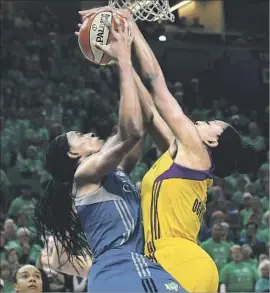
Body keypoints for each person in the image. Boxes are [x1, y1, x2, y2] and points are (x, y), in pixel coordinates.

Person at [80, 7, 257, 292]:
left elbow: (157, 84)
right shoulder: (183, 158)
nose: (200, 121)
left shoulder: (196, 151)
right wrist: (119, 60)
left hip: (177, 262)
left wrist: (131, 29)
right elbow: (149, 113)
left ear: (212, 141)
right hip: (179, 264)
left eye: (211, 123)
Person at [34, 17, 185, 293]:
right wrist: (124, 60)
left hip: (125, 272)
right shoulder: (85, 175)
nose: (90, 135)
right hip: (125, 269)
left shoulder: (112, 172)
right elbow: (132, 132)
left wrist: (117, 61)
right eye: (81, 137)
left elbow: (140, 121)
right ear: (72, 153)